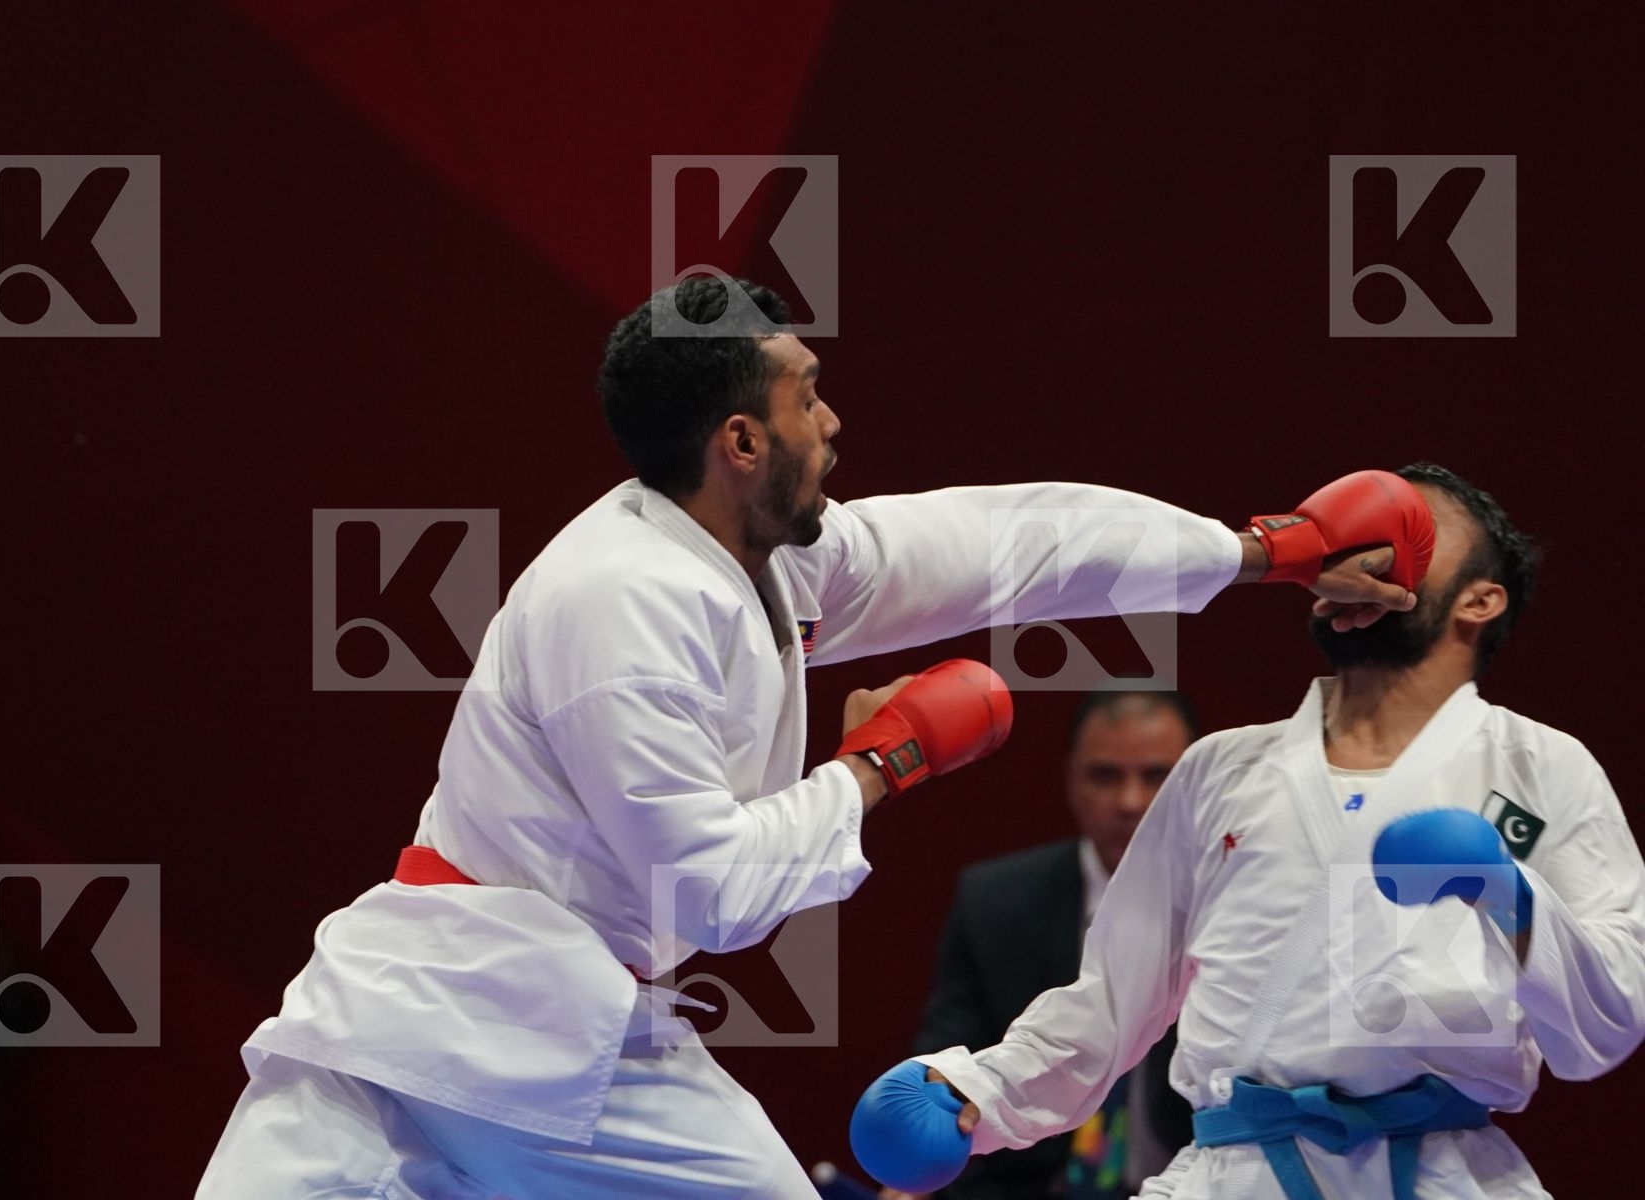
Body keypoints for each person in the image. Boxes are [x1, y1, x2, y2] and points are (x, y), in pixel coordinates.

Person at [196, 276, 1428, 1199]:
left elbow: (1017, 542)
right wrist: (882, 760)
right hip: (481, 1021)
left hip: (471, 1026)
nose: (832, 420)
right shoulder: (620, 602)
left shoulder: (768, 555)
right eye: (807, 396)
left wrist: (1257, 551)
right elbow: (717, 889)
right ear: (740, 442)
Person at [858, 463, 1645, 1199]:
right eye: (1354, 536)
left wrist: (1509, 896)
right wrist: (982, 1090)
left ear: (1480, 599)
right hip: (1234, 1175)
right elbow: (1110, 999)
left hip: (1446, 1174)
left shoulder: (1541, 767)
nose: (1368, 550)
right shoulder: (1221, 770)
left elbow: (1605, 1030)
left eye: (1413, 534)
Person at [890, 691, 1200, 1200]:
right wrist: (923, 1157)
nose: (1130, 802)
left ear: (1195, 787)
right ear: (1072, 780)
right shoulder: (994, 902)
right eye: (1105, 775)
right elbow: (948, 1058)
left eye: (1156, 777)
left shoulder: (1230, 907)